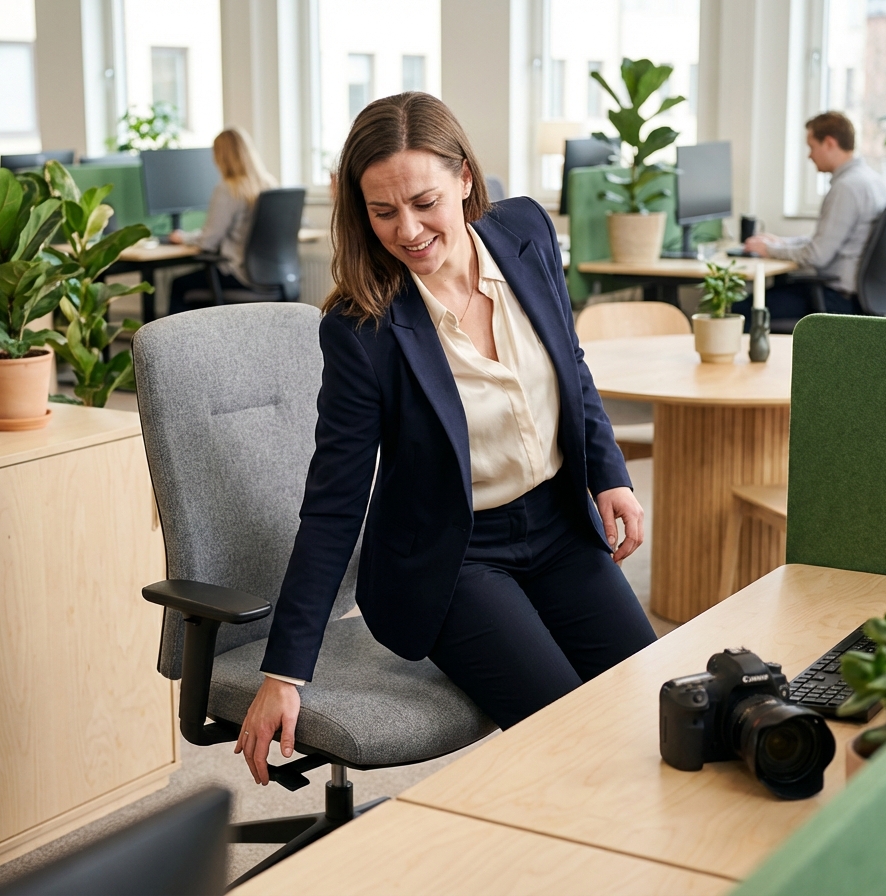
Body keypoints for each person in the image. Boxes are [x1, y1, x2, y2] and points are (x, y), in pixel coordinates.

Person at [233, 93, 657, 786]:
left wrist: (608, 472)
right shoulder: (361, 326)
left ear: (464, 178)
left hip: (557, 525)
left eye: (424, 201)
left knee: (652, 698)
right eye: (382, 211)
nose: (407, 230)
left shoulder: (527, 232)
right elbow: (336, 501)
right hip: (456, 557)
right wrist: (284, 669)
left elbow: (568, 362)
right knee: (570, 732)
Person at [737, 111, 886, 321]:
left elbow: (818, 256)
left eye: (812, 147)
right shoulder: (871, 180)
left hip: (834, 300)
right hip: (860, 297)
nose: (810, 155)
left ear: (829, 143)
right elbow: (827, 241)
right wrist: (781, 242)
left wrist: (769, 250)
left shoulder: (846, 188)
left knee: (739, 311)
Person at [166, 128, 277, 314]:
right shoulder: (269, 184)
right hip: (272, 278)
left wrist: (183, 238)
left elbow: (208, 241)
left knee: (178, 285)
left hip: (239, 275)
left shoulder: (229, 189)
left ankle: (177, 343)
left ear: (221, 157)